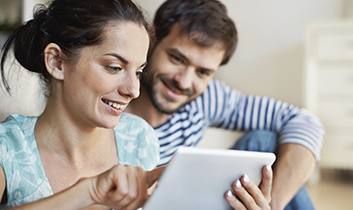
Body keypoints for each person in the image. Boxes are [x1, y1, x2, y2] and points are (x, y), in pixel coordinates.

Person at [125, 0, 325, 209]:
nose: (183, 82)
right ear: (152, 39)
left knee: (265, 141)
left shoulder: (208, 97)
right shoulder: (112, 104)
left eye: (202, 72)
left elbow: (306, 122)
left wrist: (272, 204)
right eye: (177, 59)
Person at [0, 0, 163, 209]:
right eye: (114, 67)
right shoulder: (7, 150)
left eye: (138, 72)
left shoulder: (140, 138)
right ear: (57, 62)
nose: (133, 90)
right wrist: (89, 191)